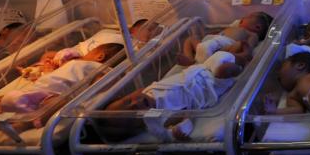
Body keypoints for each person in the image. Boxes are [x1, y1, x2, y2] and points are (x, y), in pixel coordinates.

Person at [0, 43, 124, 135]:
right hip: (35, 91)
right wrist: (47, 70)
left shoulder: (101, 69)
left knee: (57, 103)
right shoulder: (74, 63)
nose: (84, 54)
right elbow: (55, 75)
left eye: (90, 52)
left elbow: (98, 87)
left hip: (56, 95)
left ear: (100, 56)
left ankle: (25, 123)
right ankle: (0, 118)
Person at [102, 50, 246, 141]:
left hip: (199, 71)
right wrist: (177, 132)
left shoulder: (150, 89)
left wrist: (191, 66)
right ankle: (242, 64)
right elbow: (167, 132)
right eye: (133, 113)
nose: (135, 104)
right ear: (138, 126)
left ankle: (242, 54)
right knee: (224, 69)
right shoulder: (157, 119)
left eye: (127, 101)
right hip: (208, 88)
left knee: (220, 54)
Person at [178, 12, 272, 66]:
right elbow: (219, 33)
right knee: (191, 39)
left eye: (249, 17)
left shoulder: (252, 34)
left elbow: (249, 46)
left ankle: (213, 59)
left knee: (239, 44)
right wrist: (210, 35)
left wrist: (244, 54)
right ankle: (190, 59)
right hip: (213, 41)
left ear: (257, 27)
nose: (243, 17)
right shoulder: (234, 27)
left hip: (226, 46)